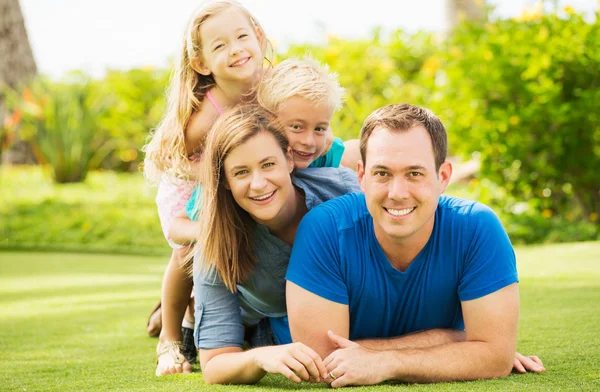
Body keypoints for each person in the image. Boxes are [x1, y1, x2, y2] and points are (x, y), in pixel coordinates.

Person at [285, 103, 546, 387]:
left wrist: (386, 362)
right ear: (361, 176)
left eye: (414, 174)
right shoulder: (325, 228)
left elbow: (495, 356)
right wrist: (457, 340)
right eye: (382, 173)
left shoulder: (477, 228)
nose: (397, 194)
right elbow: (325, 363)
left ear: (443, 177)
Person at [155, 56, 347, 376]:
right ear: (269, 121)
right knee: (188, 253)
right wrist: (211, 231)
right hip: (240, 294)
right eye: (296, 127)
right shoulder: (228, 181)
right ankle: (172, 332)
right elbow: (177, 228)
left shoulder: (330, 164)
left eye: (320, 128)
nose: (308, 141)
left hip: (279, 304)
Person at [142, 0, 271, 374]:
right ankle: (169, 338)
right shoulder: (212, 107)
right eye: (219, 46)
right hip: (193, 188)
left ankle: (195, 309)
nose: (236, 49)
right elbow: (178, 157)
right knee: (191, 251)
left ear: (258, 37)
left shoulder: (271, 82)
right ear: (202, 63)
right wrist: (220, 180)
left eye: (242, 36)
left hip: (237, 181)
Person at [190, 105, 361, 384]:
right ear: (224, 181)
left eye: (268, 164)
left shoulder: (343, 189)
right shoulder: (217, 246)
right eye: (241, 172)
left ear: (289, 160)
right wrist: (262, 357)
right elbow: (214, 364)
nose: (258, 184)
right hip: (272, 331)